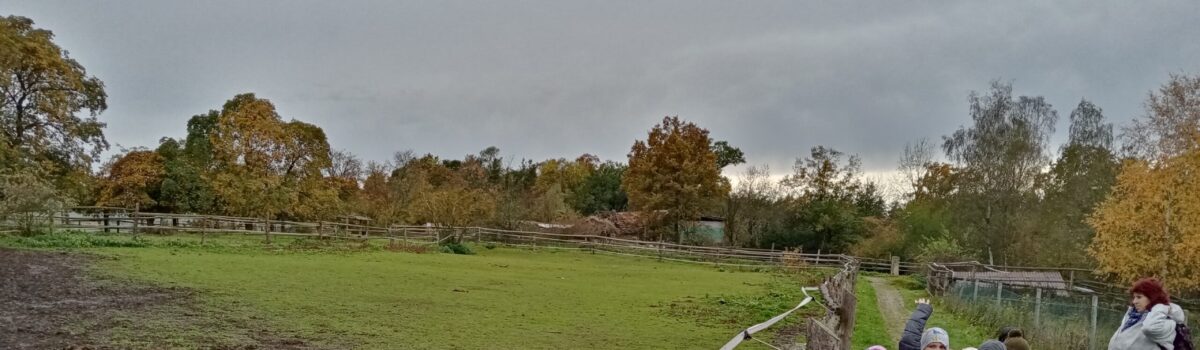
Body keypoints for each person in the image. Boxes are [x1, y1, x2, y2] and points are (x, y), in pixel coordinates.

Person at [1108, 277, 1187, 350]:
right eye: (1134, 297)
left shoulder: (1164, 322)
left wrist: (1160, 306)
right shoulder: (1134, 316)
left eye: (1139, 297)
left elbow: (1150, 328)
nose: (1134, 301)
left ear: (1152, 297)